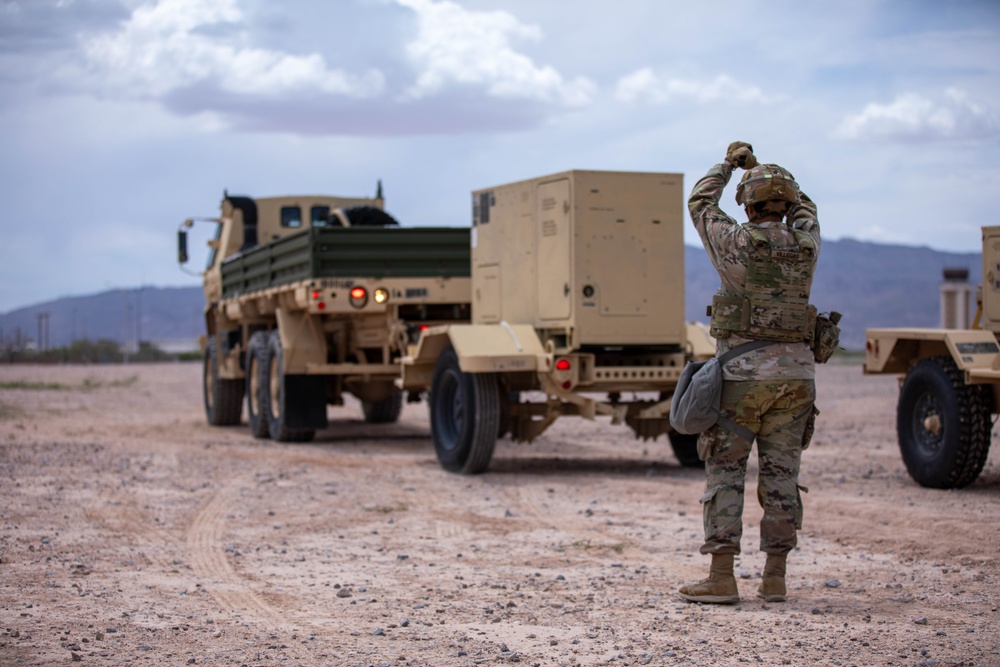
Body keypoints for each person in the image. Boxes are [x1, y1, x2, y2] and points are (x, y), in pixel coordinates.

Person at [680, 141, 820, 604]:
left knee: (726, 472)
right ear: (784, 203)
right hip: (797, 380)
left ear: (749, 204)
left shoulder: (736, 243)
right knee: (782, 476)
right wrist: (767, 172)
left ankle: (722, 577)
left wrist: (730, 165)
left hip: (742, 380)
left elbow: (701, 201)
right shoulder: (805, 246)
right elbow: (806, 207)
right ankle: (775, 577)